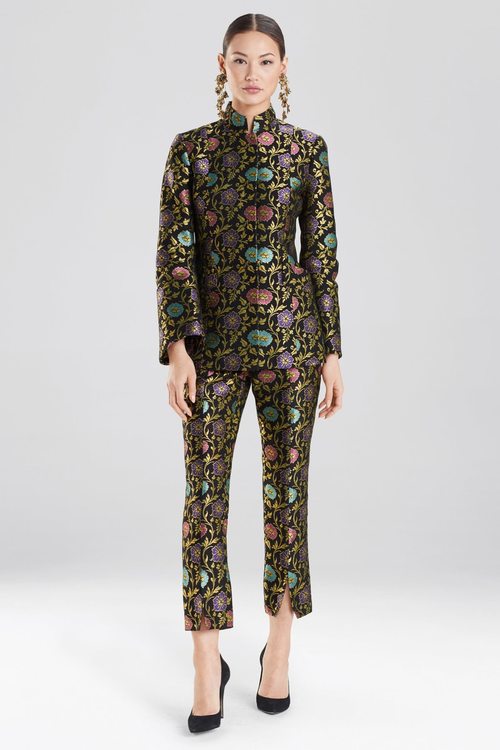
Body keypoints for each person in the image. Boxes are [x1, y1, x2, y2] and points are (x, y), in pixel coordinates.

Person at [155, 13, 344, 733]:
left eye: (266, 61)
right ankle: (206, 662)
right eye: (241, 60)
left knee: (287, 498)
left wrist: (333, 350)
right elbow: (175, 253)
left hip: (295, 349)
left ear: (283, 68)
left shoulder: (307, 151)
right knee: (203, 501)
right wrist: (177, 346)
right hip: (211, 351)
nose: (253, 73)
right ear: (222, 65)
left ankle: (279, 652)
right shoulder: (191, 151)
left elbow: (321, 255)